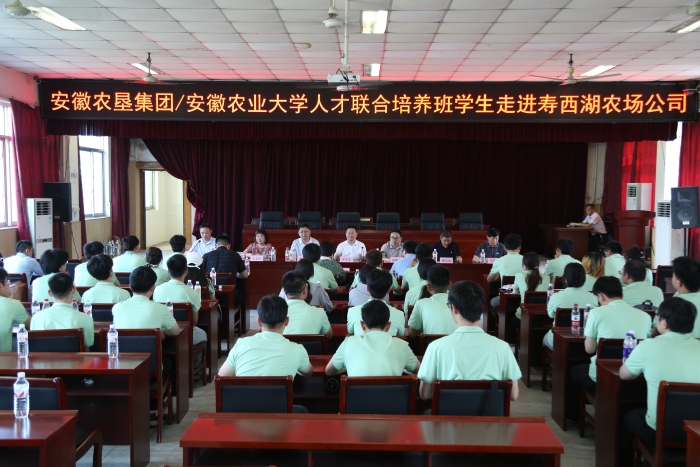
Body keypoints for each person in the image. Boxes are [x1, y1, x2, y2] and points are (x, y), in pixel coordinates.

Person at [619, 298, 700, 465]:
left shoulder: (647, 346)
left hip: (661, 432)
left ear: (664, 322)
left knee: (627, 416)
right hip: (697, 431)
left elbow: (624, 375)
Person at [417, 280, 521, 401]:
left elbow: (425, 394)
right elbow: (513, 395)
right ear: (481, 308)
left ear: (454, 308)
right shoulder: (503, 347)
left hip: (450, 412)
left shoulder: (435, 347)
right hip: (490, 412)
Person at [566, 276, 651, 421]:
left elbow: (589, 349)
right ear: (622, 295)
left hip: (602, 376)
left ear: (600, 296)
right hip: (635, 376)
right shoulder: (645, 316)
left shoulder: (596, 313)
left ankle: (572, 416)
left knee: (574, 370)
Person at [219, 295, 313, 413]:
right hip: (279, 414)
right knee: (303, 410)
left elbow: (222, 377)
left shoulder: (241, 344)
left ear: (259, 321)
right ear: (287, 321)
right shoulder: (297, 349)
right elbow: (309, 372)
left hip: (243, 413)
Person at [327, 300, 419, 377]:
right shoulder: (402, 345)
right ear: (388, 326)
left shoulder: (348, 343)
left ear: (362, 325)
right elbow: (420, 371)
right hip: (391, 394)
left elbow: (328, 371)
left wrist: (348, 364)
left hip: (358, 394)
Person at [112, 266, 181, 340]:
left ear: (130, 287)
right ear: (152, 287)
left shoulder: (116, 308)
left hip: (123, 347)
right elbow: (176, 332)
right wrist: (161, 332)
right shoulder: (161, 309)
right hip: (151, 347)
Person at [153, 254, 207, 346]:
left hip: (163, 334)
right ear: (186, 271)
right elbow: (194, 321)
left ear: (168, 271)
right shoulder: (192, 292)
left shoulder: (157, 290)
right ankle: (192, 355)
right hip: (186, 334)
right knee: (203, 335)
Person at [542, 263, 597, 350]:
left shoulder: (556, 296)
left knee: (544, 339)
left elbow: (550, 315)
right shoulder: (593, 297)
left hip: (559, 341)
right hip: (586, 342)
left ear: (565, 279)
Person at [31, 273, 93, 347]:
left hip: (46, 355)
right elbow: (89, 343)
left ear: (50, 293)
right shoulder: (86, 318)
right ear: (73, 289)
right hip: (73, 354)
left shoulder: (37, 317)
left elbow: (34, 344)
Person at [347, 269, 404, 337]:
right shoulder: (400, 314)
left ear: (367, 288)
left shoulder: (352, 311)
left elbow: (350, 333)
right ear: (389, 290)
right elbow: (401, 335)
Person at [408, 265, 456, 337]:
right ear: (450, 284)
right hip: (455, 343)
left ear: (428, 286)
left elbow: (411, 334)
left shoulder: (421, 303)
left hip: (430, 344)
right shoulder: (459, 304)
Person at [280, 271, 332, 337]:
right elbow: (329, 335)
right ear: (305, 290)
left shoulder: (276, 313)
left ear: (284, 291)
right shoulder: (319, 312)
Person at [201, 234, 247, 306]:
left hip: (210, 295)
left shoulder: (206, 256)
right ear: (228, 246)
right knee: (241, 295)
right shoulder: (235, 255)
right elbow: (245, 275)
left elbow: (202, 274)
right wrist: (234, 275)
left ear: (216, 246)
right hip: (231, 296)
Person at [513, 252, 551, 324]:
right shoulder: (547, 278)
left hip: (523, 316)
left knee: (511, 326)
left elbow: (516, 292)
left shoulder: (519, 275)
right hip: (542, 318)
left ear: (524, 266)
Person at [0, 267, 31, 352]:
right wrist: (16, 301)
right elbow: (31, 325)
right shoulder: (13, 304)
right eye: (7, 282)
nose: (9, 286)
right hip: (4, 359)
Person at [670, 256, 700, 337]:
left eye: (673, 276)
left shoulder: (670, 306)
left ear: (679, 282)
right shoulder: (676, 296)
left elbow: (657, 331)